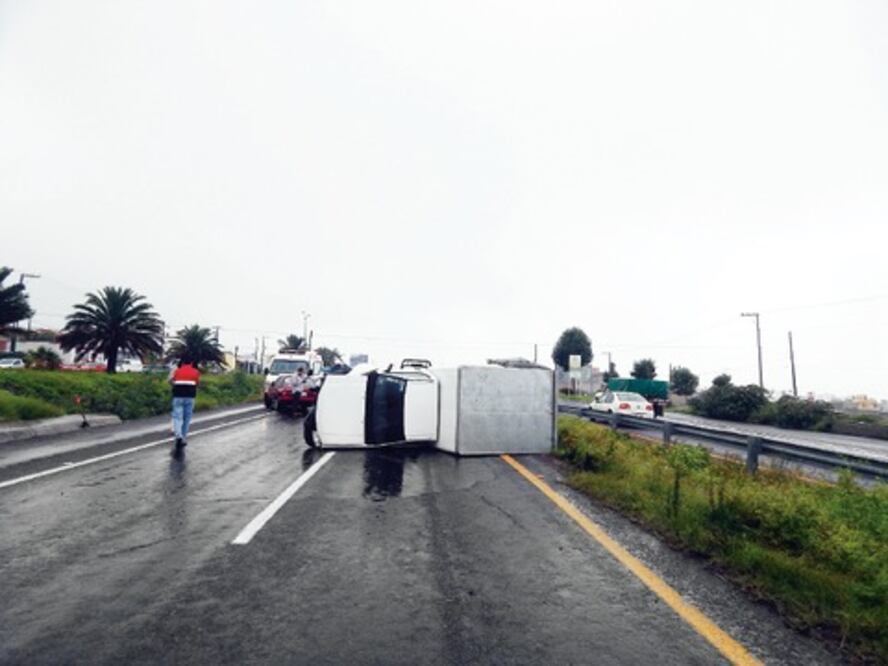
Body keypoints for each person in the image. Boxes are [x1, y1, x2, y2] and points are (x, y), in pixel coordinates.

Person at [169, 356, 201, 449]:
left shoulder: (177, 371)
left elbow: (171, 381)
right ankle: (183, 438)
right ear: (191, 363)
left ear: (182, 363)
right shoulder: (195, 372)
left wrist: (174, 385)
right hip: (190, 397)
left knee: (177, 417)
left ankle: (178, 436)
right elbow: (198, 384)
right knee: (186, 419)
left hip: (178, 397)